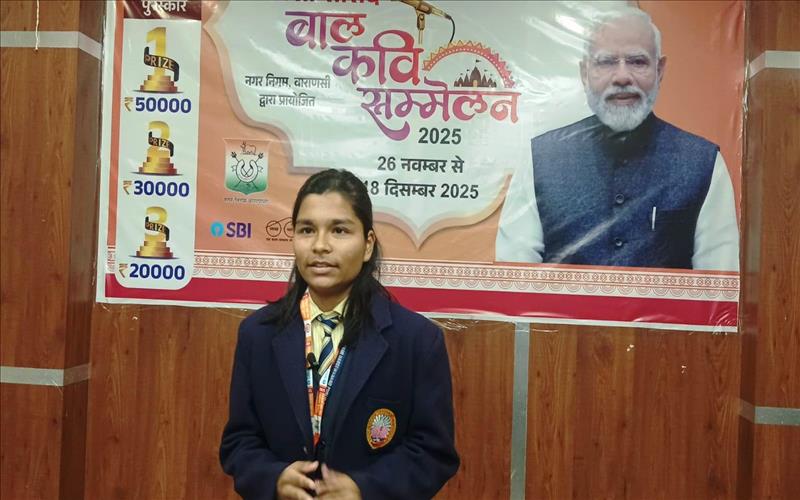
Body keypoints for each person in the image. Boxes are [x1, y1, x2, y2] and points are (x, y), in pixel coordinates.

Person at [220, 169, 459, 500]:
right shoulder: (257, 335)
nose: (320, 246)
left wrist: (365, 488)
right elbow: (239, 442)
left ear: (367, 245)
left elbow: (432, 452)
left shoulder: (416, 341)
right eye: (307, 230)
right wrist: (274, 479)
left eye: (339, 230)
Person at [495, 8, 739, 271]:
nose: (622, 76)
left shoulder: (704, 163)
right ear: (584, 73)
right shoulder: (540, 159)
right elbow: (513, 279)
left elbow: (719, 285)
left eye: (637, 61)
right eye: (606, 62)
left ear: (659, 70)